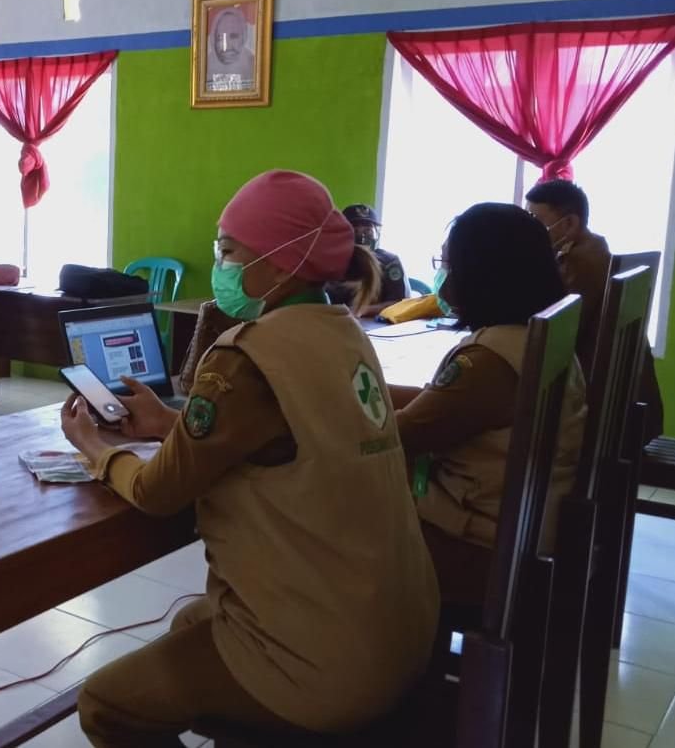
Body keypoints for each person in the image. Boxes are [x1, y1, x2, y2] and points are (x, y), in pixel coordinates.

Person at [61, 170, 440, 746]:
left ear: (282, 263)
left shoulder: (246, 356)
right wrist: (167, 424)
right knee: (191, 620)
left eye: (228, 251)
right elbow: (289, 436)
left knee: (106, 703)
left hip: (326, 659)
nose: (221, 265)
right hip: (398, 625)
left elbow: (157, 494)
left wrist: (96, 448)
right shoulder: (343, 331)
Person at [394, 203, 586, 605]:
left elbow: (399, 436)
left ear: (481, 273)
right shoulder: (533, 337)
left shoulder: (487, 361)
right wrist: (363, 385)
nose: (443, 276)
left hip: (477, 551)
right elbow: (442, 404)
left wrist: (328, 405)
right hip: (524, 535)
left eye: (448, 263)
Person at [526, 179, 664, 442]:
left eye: (535, 220)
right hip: (631, 412)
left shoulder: (580, 264)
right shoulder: (595, 251)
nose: (528, 230)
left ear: (569, 224)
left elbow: (554, 336)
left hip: (603, 421)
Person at [325, 204, 408, 317]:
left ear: (376, 232)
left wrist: (359, 310)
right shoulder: (330, 261)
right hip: (334, 320)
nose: (362, 235)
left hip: (376, 324)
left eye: (368, 230)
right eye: (355, 229)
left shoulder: (389, 262)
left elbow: (398, 303)